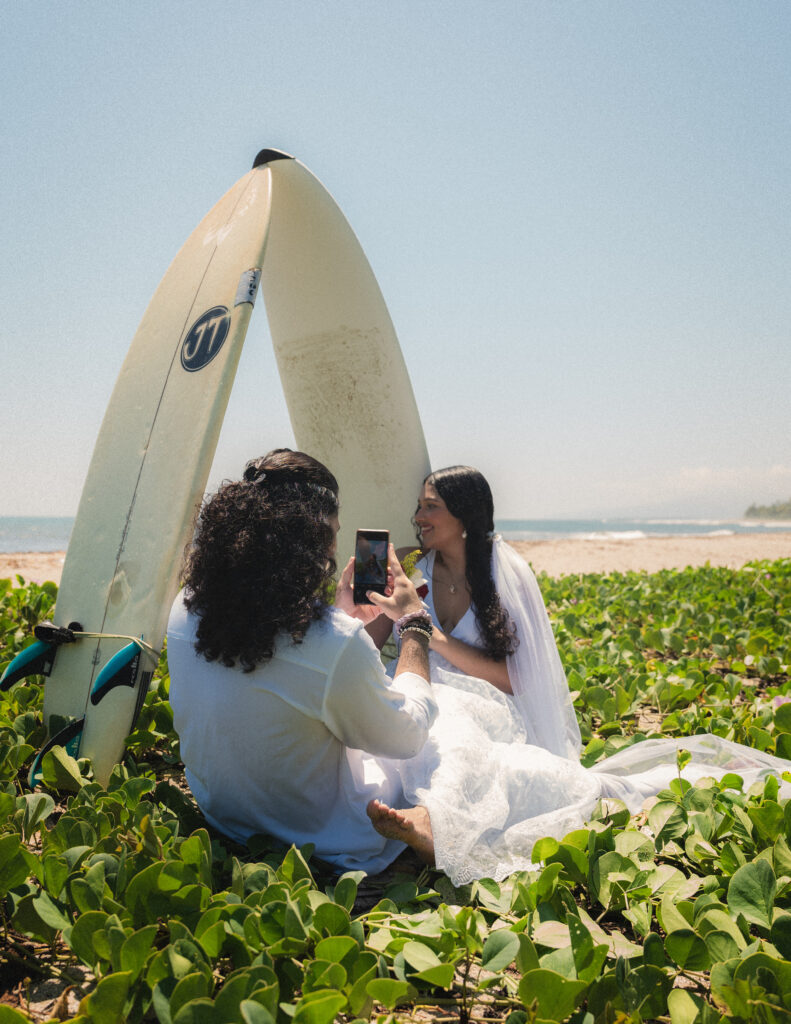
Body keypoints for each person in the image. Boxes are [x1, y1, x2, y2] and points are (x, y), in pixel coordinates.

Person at [367, 466, 791, 884]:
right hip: (414, 681)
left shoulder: (503, 572)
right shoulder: (410, 563)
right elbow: (371, 640)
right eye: (419, 506)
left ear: (465, 516)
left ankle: (434, 821)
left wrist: (433, 637)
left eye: (431, 507)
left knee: (459, 733)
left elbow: (516, 679)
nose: (419, 516)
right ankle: (427, 816)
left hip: (484, 698)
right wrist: (362, 606)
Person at [166, 448, 438, 874]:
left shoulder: (185, 608)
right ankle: (430, 821)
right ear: (312, 542)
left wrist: (344, 622)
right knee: (447, 733)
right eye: (332, 533)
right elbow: (407, 736)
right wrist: (414, 624)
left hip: (226, 819)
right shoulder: (331, 642)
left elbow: (288, 678)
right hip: (319, 836)